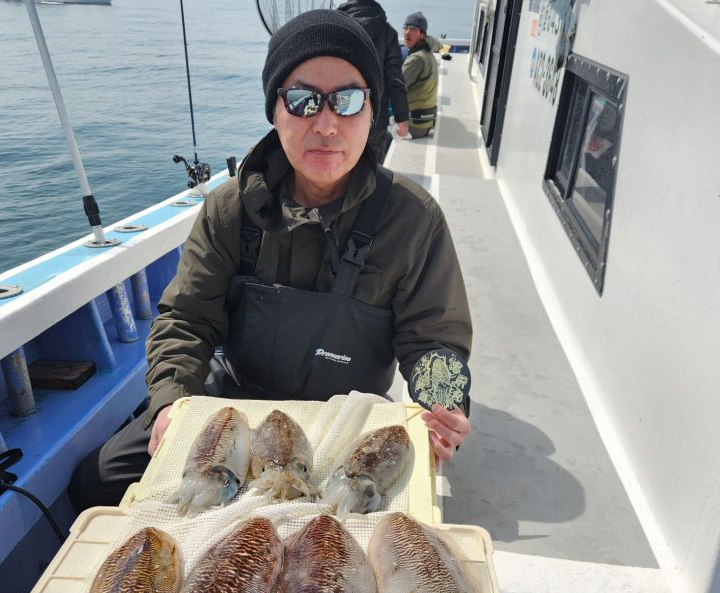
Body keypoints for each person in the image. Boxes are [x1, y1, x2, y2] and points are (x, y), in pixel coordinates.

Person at [67, 9, 472, 512]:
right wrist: (173, 401)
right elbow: (187, 319)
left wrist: (443, 403)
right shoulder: (231, 208)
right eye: (302, 101)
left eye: (347, 100)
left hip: (349, 421)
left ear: (372, 111)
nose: (325, 124)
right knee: (96, 481)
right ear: (274, 110)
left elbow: (434, 338)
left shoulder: (414, 220)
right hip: (236, 406)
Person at [337, 0, 410, 161]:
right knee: (372, 169)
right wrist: (402, 118)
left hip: (338, 113)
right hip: (374, 118)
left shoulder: (334, 25)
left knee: (340, 165)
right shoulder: (387, 32)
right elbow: (395, 80)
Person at [401, 11, 438, 139]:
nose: (407, 32)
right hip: (424, 121)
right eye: (405, 27)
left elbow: (394, 87)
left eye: (413, 29)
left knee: (374, 132)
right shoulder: (427, 53)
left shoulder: (417, 59)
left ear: (422, 34)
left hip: (414, 126)